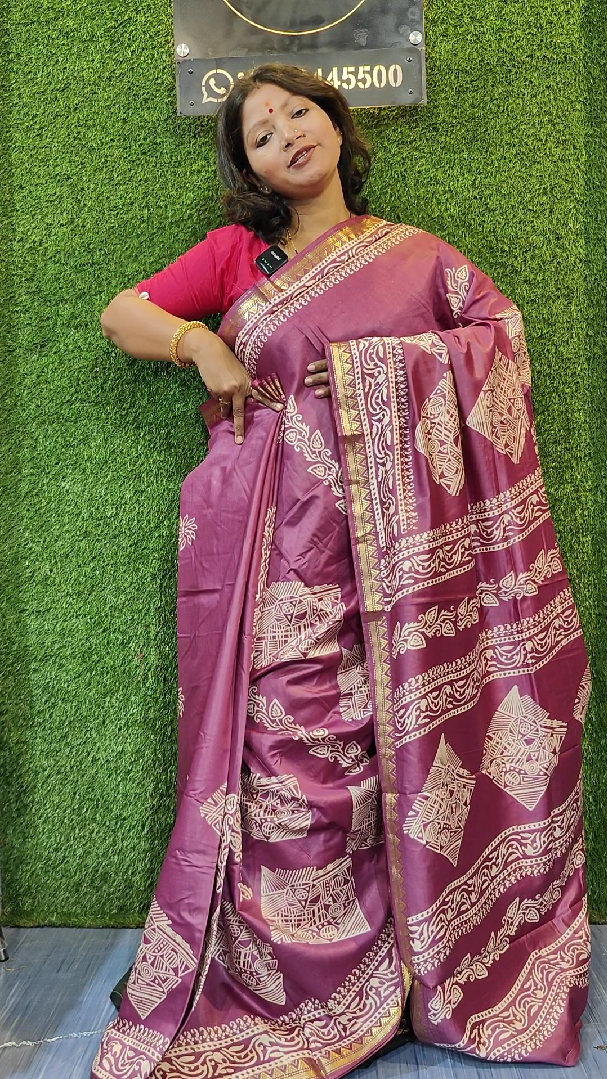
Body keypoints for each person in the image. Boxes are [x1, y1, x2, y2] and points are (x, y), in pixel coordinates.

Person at [92, 64, 590, 1079]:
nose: (287, 131)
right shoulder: (235, 255)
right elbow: (120, 315)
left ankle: (413, 963)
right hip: (278, 545)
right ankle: (301, 977)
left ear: (333, 123)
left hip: (415, 565)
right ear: (252, 169)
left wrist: (380, 372)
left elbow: (498, 341)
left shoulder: (417, 256)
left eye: (298, 111)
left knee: (404, 744)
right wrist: (198, 344)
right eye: (261, 131)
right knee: (291, 748)